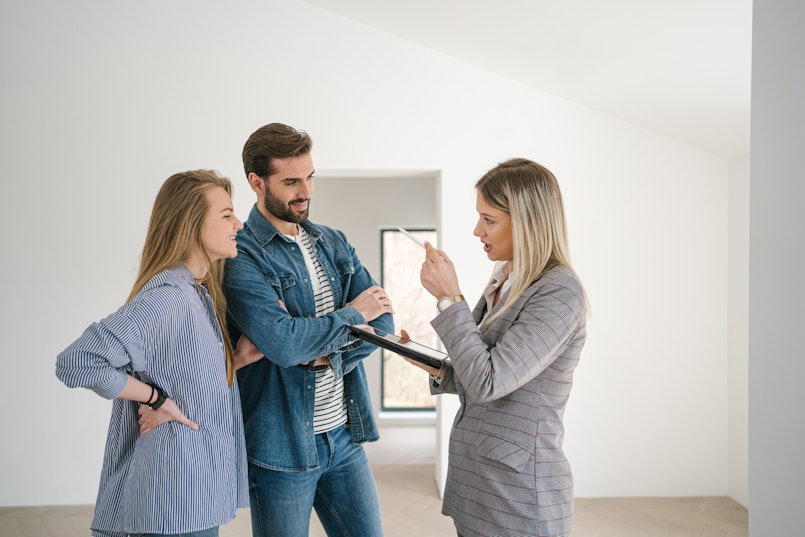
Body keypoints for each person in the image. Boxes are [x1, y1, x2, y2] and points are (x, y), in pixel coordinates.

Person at [55, 170, 262, 537]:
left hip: (195, 491)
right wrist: (155, 397)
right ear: (191, 222)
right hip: (172, 495)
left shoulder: (197, 294)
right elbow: (78, 362)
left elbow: (185, 375)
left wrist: (236, 358)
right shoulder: (168, 296)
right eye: (227, 214)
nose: (240, 224)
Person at [223, 123, 395, 537]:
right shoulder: (240, 255)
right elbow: (283, 344)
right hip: (280, 445)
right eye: (291, 181)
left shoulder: (332, 243)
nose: (306, 190)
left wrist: (315, 350)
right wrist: (352, 314)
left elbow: (385, 322)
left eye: (310, 177)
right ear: (256, 183)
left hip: (343, 435)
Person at [403, 158, 587, 537]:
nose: (476, 230)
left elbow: (490, 381)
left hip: (517, 499)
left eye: (489, 219)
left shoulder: (560, 293)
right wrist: (437, 367)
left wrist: (450, 299)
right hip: (480, 484)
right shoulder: (505, 278)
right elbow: (481, 368)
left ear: (526, 221)